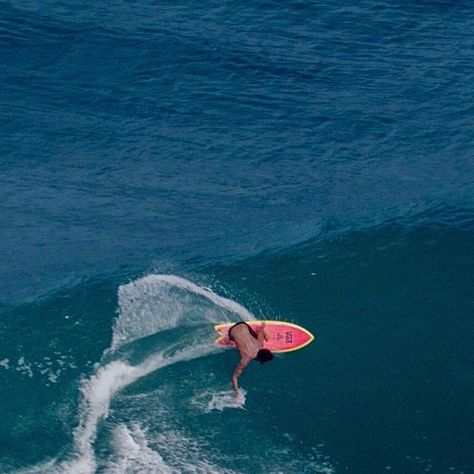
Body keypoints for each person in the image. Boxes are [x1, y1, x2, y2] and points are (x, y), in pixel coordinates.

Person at [228, 321, 273, 398]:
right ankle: (228, 339)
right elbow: (234, 377)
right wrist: (237, 393)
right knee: (259, 337)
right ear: (260, 360)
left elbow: (261, 328)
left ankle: (266, 335)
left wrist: (263, 326)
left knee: (261, 337)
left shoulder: (260, 343)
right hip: (231, 332)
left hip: (242, 324)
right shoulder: (245, 360)